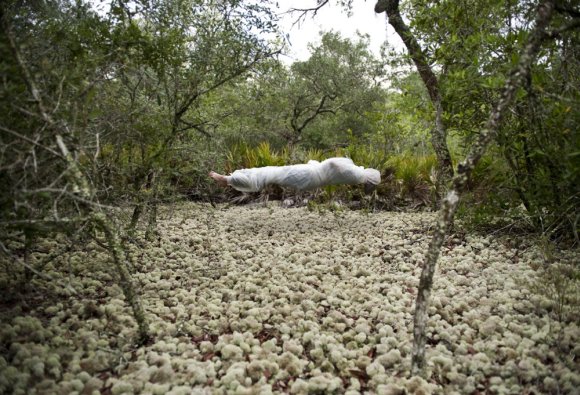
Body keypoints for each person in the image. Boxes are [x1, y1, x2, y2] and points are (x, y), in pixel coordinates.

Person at [209, 157, 381, 193]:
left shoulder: (356, 173)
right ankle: (231, 180)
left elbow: (333, 165)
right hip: (311, 176)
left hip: (310, 175)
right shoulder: (357, 174)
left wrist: (316, 164)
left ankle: (229, 179)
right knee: (270, 173)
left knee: (270, 173)